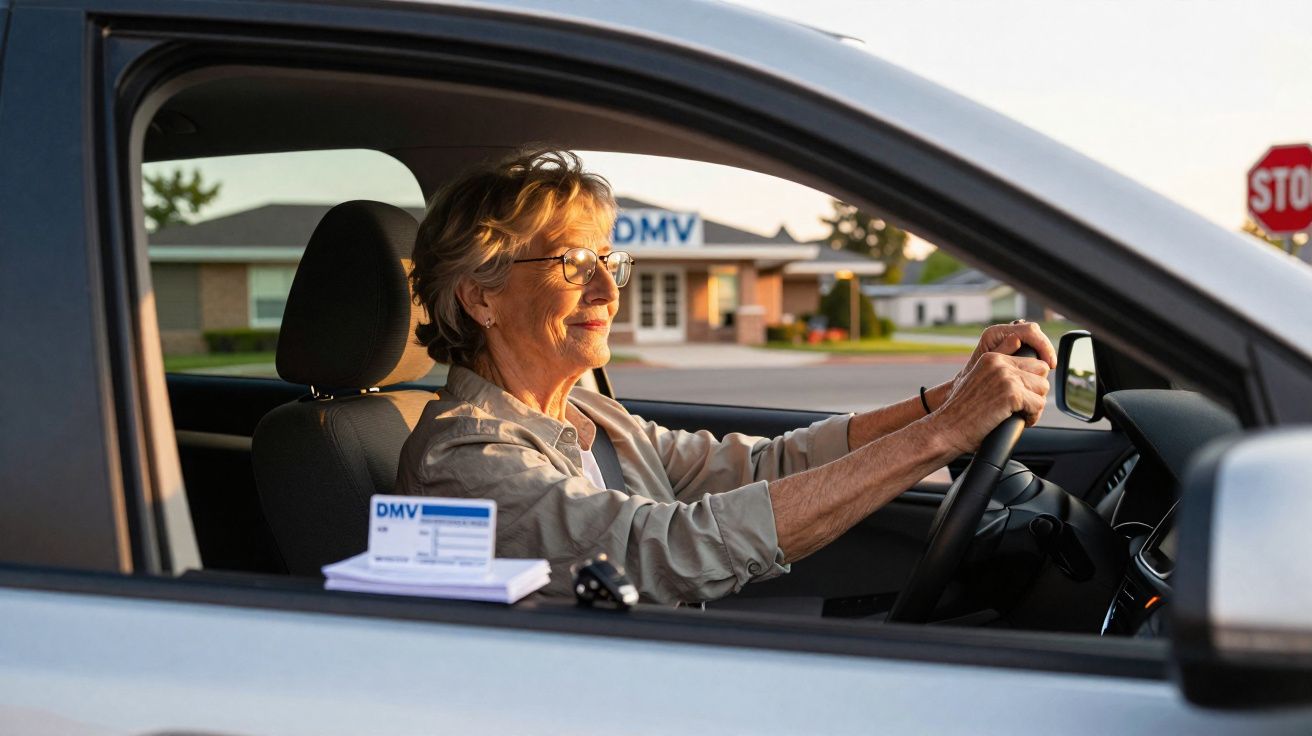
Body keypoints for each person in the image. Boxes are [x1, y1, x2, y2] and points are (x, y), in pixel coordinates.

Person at [398, 149, 1055, 605]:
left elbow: (766, 466)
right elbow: (668, 550)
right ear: (480, 297)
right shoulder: (465, 461)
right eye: (573, 263)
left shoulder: (596, 420)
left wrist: (943, 402)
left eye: (607, 259)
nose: (606, 287)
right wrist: (943, 436)